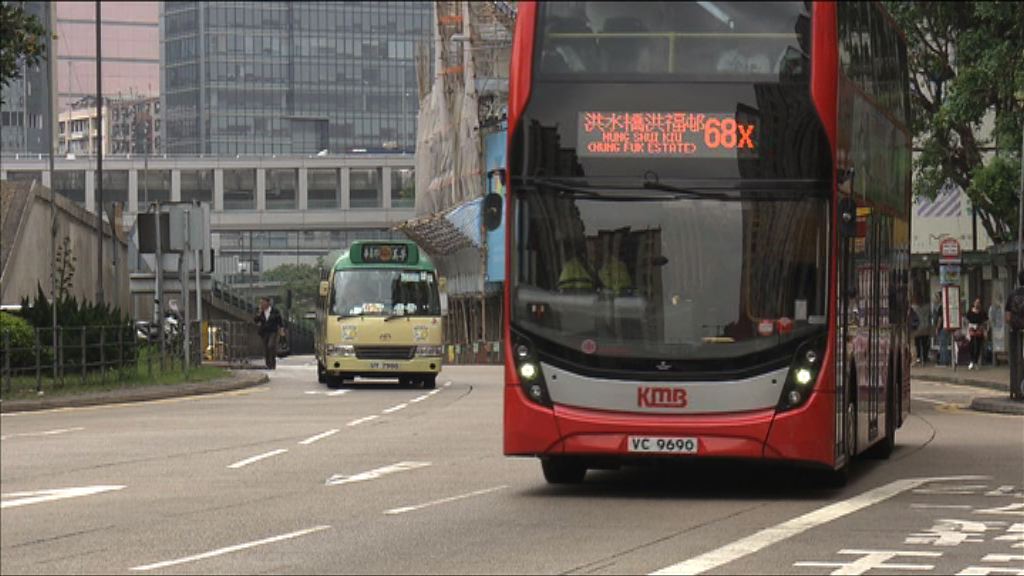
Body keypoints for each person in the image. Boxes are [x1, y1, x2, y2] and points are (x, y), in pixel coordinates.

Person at [1004, 271, 1024, 400]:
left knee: (1017, 362)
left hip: (1016, 333)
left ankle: (1016, 390)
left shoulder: (1012, 294)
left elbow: (1008, 316)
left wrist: (1012, 326)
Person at [254, 297, 283, 370]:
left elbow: (280, 321)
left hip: (273, 331)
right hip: (264, 332)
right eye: (260, 303)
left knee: (271, 346)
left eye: (263, 302)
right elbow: (256, 320)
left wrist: (281, 330)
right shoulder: (261, 311)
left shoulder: (275, 311)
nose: (261, 304)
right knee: (266, 348)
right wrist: (259, 313)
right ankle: (268, 364)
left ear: (268, 303)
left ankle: (272, 363)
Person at [964, 297, 989, 370]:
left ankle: (976, 361)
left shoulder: (982, 312)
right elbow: (966, 320)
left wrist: (985, 330)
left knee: (978, 345)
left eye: (978, 302)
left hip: (979, 329)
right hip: (971, 329)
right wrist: (967, 328)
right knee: (971, 344)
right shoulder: (970, 312)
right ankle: (972, 360)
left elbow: (986, 321)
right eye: (976, 302)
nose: (977, 304)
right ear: (973, 303)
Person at [911, 299, 932, 365]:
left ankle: (919, 357)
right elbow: (930, 316)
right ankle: (924, 358)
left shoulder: (914, 308)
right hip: (925, 327)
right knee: (924, 344)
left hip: (917, 329)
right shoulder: (927, 307)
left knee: (917, 344)